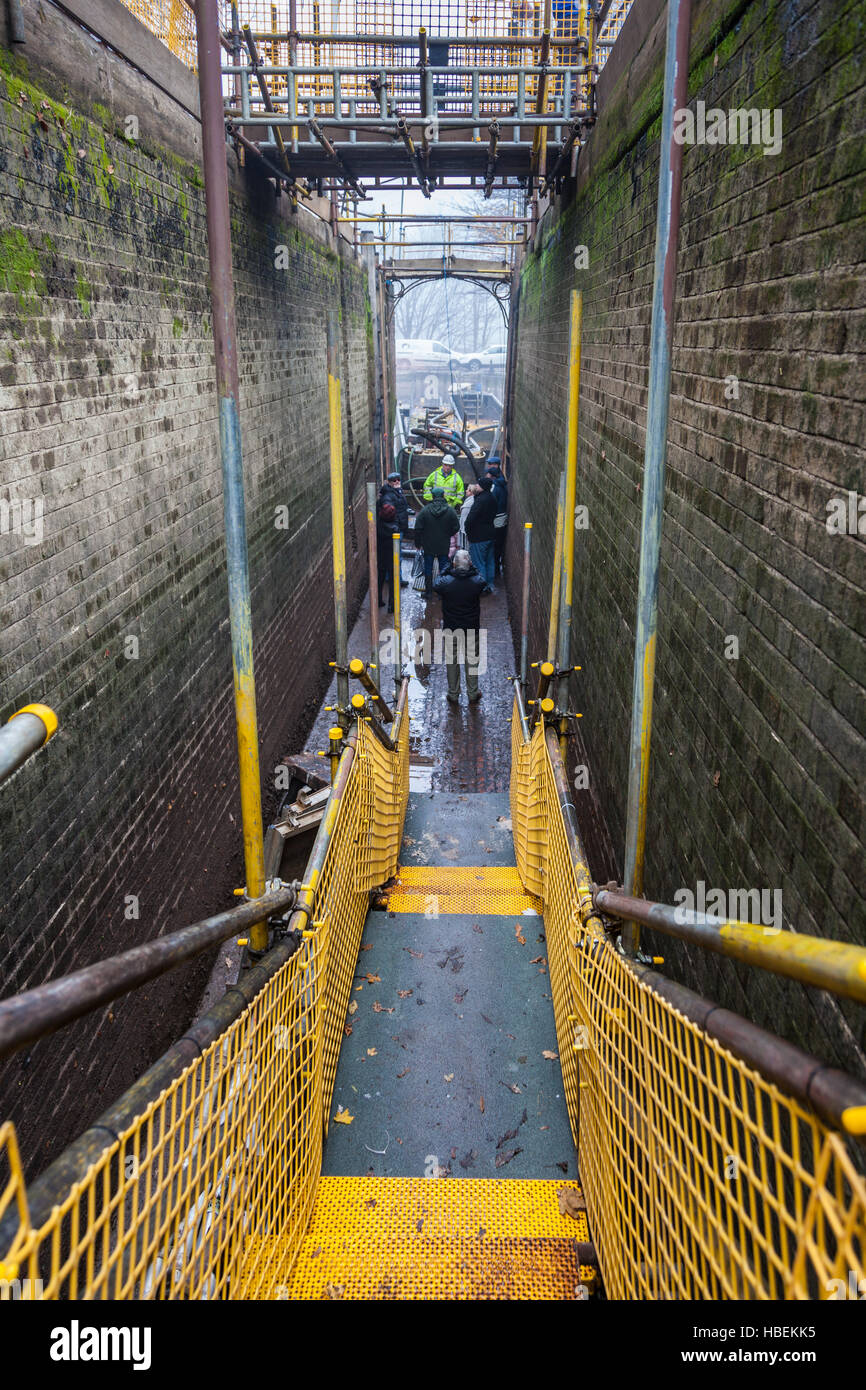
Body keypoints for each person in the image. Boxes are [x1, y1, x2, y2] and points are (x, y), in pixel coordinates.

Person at [434, 550, 486, 705]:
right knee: (472, 661)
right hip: (471, 628)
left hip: (451, 628)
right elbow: (481, 578)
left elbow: (436, 583)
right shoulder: (476, 582)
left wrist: (448, 567)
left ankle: (454, 693)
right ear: (469, 564)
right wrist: (472, 566)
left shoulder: (446, 583)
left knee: (452, 661)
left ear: (454, 564)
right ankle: (472, 692)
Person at [413, 487, 460, 598]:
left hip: (428, 545)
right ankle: (442, 592)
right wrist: (448, 534)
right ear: (443, 496)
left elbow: (418, 528)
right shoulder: (450, 511)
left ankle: (429, 592)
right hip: (443, 544)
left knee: (428, 568)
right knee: (443, 567)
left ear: (433, 496)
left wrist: (418, 543)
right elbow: (456, 527)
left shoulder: (425, 511)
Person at [465, 475, 497, 593]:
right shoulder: (492, 498)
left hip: (478, 537)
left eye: (478, 485)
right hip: (490, 534)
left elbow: (470, 519)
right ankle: (489, 584)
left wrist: (468, 532)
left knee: (479, 563)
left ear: (482, 487)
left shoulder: (480, 500)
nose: (476, 486)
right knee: (489, 561)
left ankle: (481, 587)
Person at [378, 471, 411, 586]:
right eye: (394, 480)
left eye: (398, 479)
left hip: (399, 526)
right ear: (389, 482)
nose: (397, 481)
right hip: (395, 529)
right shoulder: (388, 496)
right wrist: (396, 527)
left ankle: (390, 576)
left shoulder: (397, 491)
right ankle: (397, 579)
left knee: (393, 553)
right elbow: (389, 514)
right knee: (397, 554)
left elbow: (402, 506)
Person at [486, 459, 508, 578]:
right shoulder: (502, 482)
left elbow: (492, 503)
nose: (488, 466)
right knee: (498, 544)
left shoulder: (495, 487)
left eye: (490, 464)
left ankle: (494, 570)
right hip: (502, 518)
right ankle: (496, 568)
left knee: (494, 545)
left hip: (496, 519)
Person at [376, 502, 397, 612]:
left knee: (380, 578)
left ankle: (378, 599)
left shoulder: (377, 526)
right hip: (392, 557)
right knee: (393, 581)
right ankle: (391, 605)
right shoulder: (394, 529)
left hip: (380, 556)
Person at [458, 483, 480, 549]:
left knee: (466, 547)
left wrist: (464, 529)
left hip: (465, 530)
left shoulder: (471, 502)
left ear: (472, 492)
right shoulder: (469, 500)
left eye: (468, 490)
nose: (466, 491)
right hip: (464, 528)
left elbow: (465, 517)